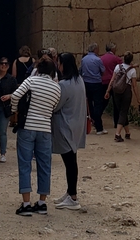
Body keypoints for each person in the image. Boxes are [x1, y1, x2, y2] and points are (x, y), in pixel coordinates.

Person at [6, 56, 61, 216]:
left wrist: (16, 110)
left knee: (25, 164)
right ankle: (42, 202)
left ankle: (26, 203)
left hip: (28, 125)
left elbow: (16, 95)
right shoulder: (56, 87)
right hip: (45, 129)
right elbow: (55, 106)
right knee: (45, 165)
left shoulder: (31, 81)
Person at [52, 52, 87, 210]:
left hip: (66, 126)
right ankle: (70, 192)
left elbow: (56, 106)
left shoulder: (64, 85)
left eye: (59, 63)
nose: (58, 66)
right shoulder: (79, 80)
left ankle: (73, 197)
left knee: (70, 163)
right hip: (77, 124)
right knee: (72, 160)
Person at [0, 57, 18, 164]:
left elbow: (16, 92)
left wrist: (9, 96)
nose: (3, 65)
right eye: (1, 63)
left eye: (6, 63)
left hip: (5, 108)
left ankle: (3, 153)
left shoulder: (11, 79)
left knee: (2, 131)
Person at [104, 52, 139, 142]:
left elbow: (112, 80)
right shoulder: (133, 71)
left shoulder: (117, 67)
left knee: (122, 111)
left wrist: (108, 91)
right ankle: (117, 134)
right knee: (123, 111)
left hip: (116, 92)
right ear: (131, 60)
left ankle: (127, 132)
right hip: (126, 92)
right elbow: (134, 86)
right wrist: (138, 98)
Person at [80, 43, 106, 135]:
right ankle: (99, 127)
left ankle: (92, 121)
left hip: (86, 83)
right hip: (96, 83)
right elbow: (103, 71)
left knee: (89, 103)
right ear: (95, 50)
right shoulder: (98, 59)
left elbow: (81, 71)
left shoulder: (83, 59)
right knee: (98, 104)